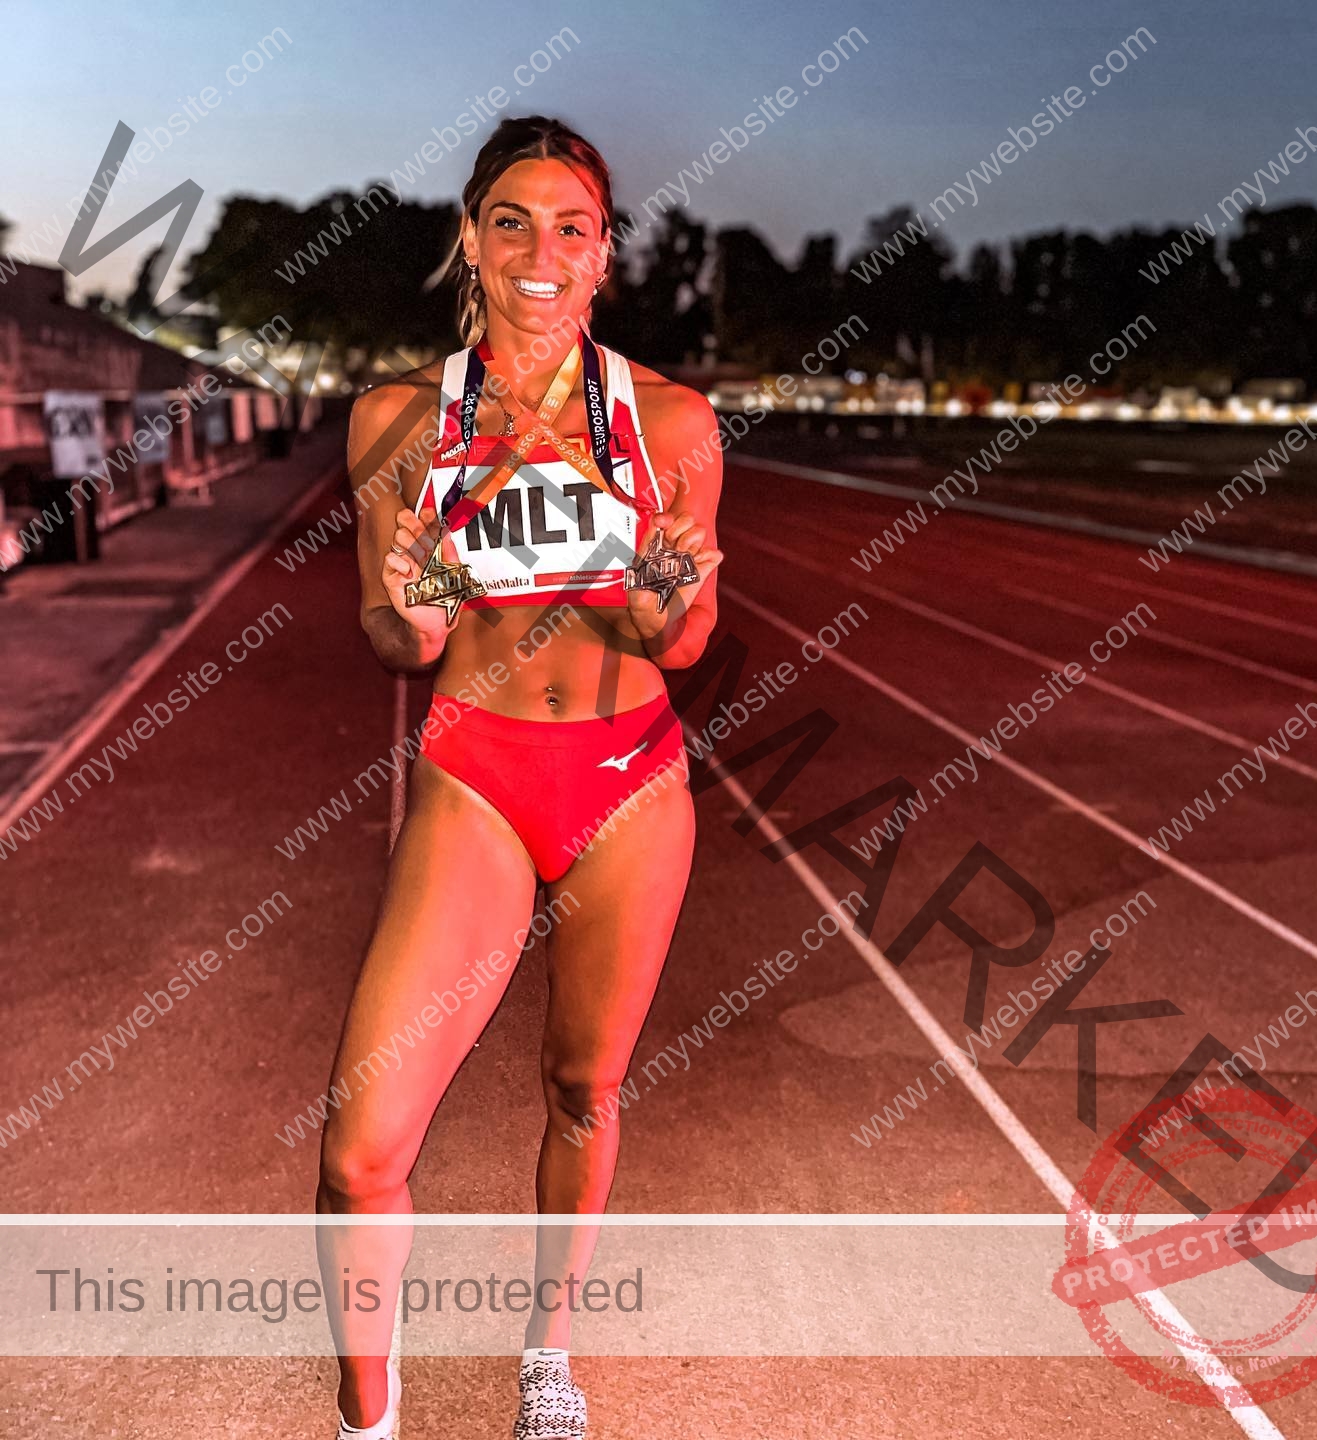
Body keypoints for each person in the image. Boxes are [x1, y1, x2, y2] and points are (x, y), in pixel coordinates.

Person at [315, 114, 724, 1440]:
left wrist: (666, 594)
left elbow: (691, 636)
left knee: (580, 1087)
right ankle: (367, 1421)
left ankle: (548, 1358)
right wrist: (414, 614)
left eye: (571, 227)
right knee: (361, 1149)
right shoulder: (397, 421)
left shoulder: (669, 420)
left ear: (605, 257)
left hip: (628, 783)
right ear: (470, 247)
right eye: (510, 222)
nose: (540, 251)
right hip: (479, 776)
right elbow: (397, 637)